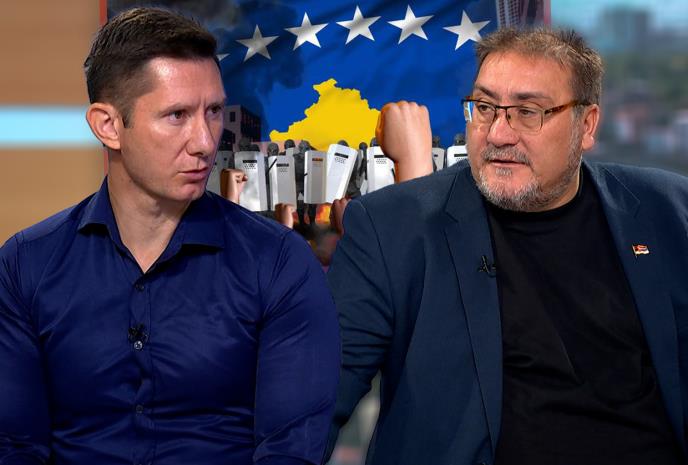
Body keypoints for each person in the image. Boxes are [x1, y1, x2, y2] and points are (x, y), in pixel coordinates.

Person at [326, 28, 688, 465]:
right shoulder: (392, 227)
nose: (498, 134)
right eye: (484, 108)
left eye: (527, 112)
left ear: (587, 125)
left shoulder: (668, 210)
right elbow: (314, 397)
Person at [0, 7, 339, 465]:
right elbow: (14, 447)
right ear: (108, 126)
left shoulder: (279, 262)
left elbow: (291, 452)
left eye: (213, 111)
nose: (205, 141)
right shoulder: (25, 265)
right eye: (177, 115)